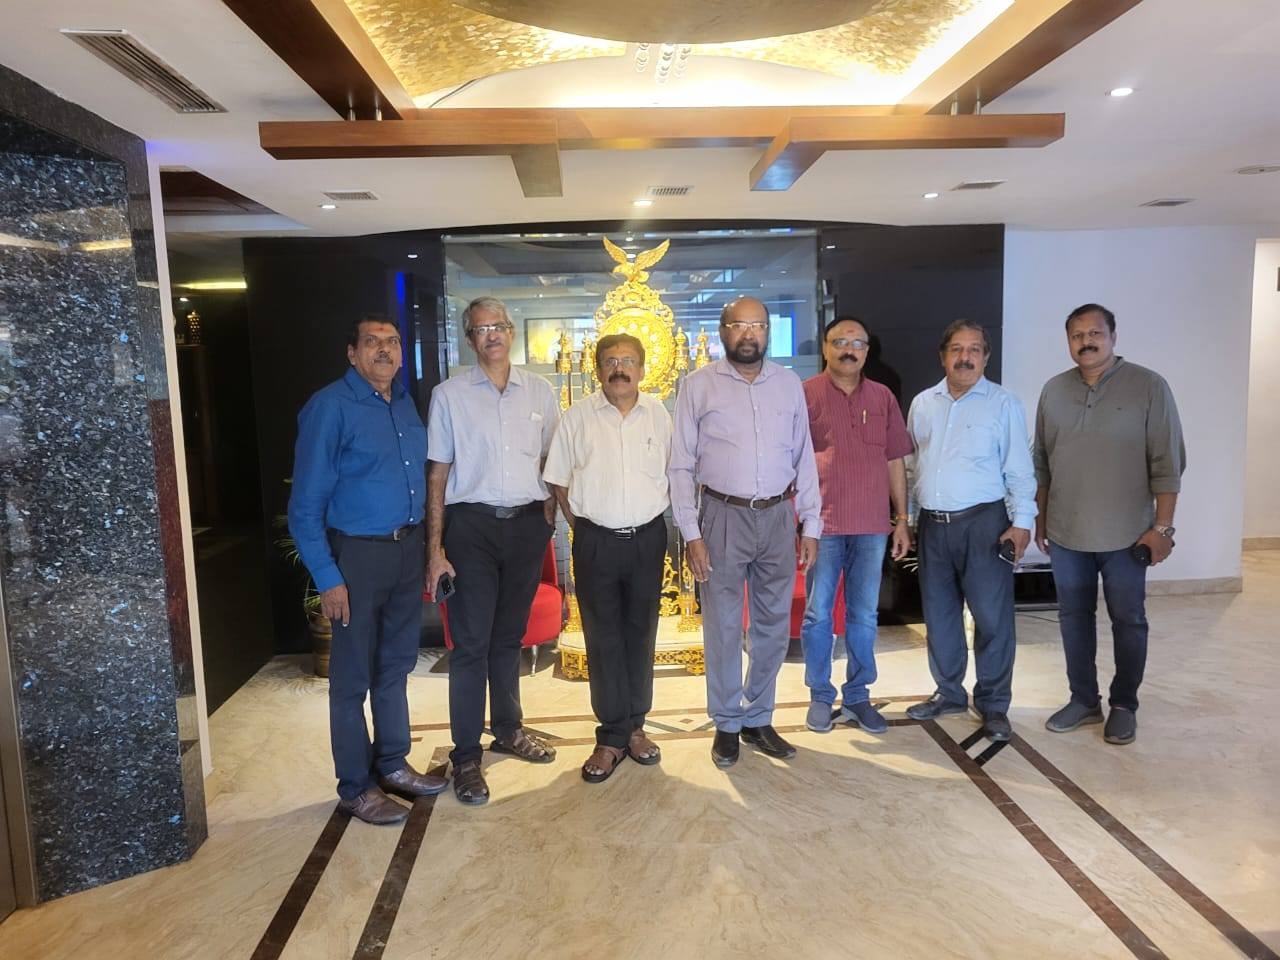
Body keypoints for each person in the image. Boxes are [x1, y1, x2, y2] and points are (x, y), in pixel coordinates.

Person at [288, 314, 446, 824]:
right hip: (356, 558)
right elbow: (304, 507)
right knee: (352, 678)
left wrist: (427, 552)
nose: (384, 350)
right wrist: (328, 576)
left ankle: (393, 764)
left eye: (392, 342)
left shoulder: (403, 403)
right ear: (352, 353)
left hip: (405, 551)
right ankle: (356, 786)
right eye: (372, 342)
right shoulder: (330, 407)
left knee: (395, 666)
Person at [669, 297, 821, 767]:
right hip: (721, 516)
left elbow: (804, 455)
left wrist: (811, 523)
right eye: (739, 324)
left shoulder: (788, 384)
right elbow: (680, 464)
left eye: (758, 325)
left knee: (773, 627)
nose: (749, 333)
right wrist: (691, 534)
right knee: (722, 625)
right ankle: (727, 723)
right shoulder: (698, 385)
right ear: (723, 331)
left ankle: (758, 716)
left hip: (778, 516)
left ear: (767, 332)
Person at [425, 296, 560, 806]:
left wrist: (550, 517)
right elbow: (438, 475)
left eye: (499, 326)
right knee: (471, 645)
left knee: (509, 638)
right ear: (470, 339)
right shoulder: (449, 396)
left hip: (526, 527)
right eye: (482, 329)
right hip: (472, 529)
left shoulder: (540, 391)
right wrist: (435, 550)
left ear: (511, 331)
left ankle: (508, 729)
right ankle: (465, 756)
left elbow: (553, 460)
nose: (493, 335)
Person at [1034, 303, 1185, 745]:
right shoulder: (1054, 390)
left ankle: (1124, 705)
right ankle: (1083, 700)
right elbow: (1041, 463)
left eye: (1095, 333)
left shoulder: (1149, 386)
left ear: (1113, 337)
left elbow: (1168, 464)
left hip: (1127, 535)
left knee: (1129, 620)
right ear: (1068, 342)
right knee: (1073, 618)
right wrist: (1042, 519)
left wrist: (1163, 529)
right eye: (1077, 335)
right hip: (1067, 533)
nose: (1087, 341)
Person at [544, 334, 672, 783]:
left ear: (642, 369)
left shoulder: (659, 415)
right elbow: (558, 481)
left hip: (648, 538)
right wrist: (583, 526)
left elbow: (674, 473)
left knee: (642, 633)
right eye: (611, 361)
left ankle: (636, 727)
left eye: (628, 361)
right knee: (603, 638)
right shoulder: (577, 417)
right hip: (595, 540)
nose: (620, 368)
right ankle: (611, 735)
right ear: (598, 370)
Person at [904, 319, 1037, 742]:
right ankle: (948, 693)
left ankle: (994, 704)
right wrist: (909, 520)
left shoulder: (1004, 404)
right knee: (940, 615)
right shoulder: (923, 403)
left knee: (992, 618)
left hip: (985, 525)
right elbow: (912, 467)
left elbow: (1019, 468)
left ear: (986, 357)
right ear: (943, 356)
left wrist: (1022, 524)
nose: (965, 357)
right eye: (957, 349)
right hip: (933, 526)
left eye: (974, 349)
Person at [801, 317, 913, 735]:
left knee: (864, 614)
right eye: (840, 342)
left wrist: (902, 519)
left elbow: (894, 460)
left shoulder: (883, 397)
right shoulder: (805, 394)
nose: (849, 350)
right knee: (818, 615)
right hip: (823, 525)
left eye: (857, 343)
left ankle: (858, 696)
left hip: (871, 527)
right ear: (826, 347)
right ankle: (819, 695)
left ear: (867, 350)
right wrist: (801, 522)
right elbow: (792, 460)